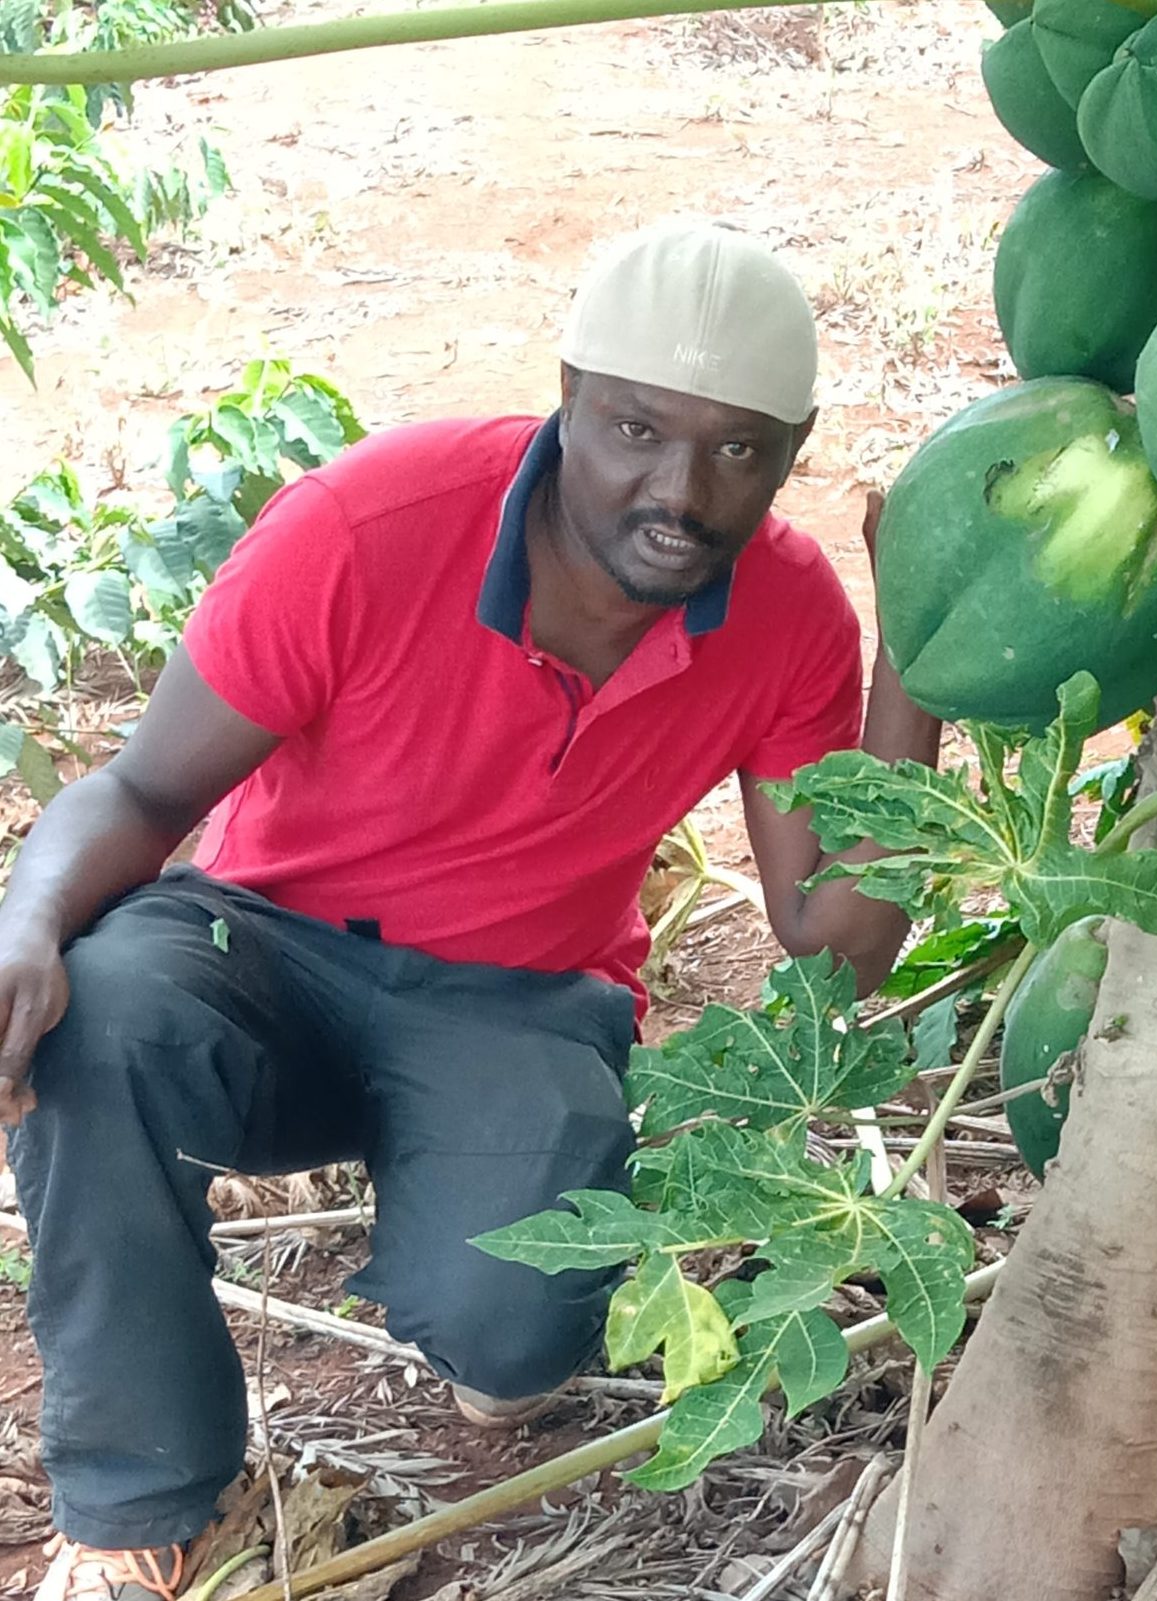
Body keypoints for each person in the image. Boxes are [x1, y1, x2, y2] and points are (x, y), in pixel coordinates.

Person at [0, 218, 941, 1601]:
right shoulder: (368, 524)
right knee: (101, 1018)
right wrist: (26, 923)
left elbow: (835, 939)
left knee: (513, 1322)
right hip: (256, 955)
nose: (675, 489)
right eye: (634, 428)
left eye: (737, 449)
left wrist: (916, 637)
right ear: (565, 398)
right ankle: (144, 1498)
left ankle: (469, 1277)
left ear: (791, 452)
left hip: (520, 996)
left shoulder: (791, 614)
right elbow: (140, 791)